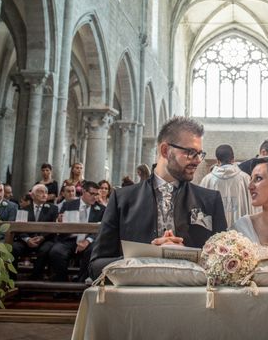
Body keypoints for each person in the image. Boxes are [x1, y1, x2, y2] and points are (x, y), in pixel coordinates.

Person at [89, 117, 227, 278]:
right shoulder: (122, 199)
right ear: (165, 150)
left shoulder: (210, 200)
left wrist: (188, 257)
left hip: (192, 297)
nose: (197, 160)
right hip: (138, 299)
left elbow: (225, 264)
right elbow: (96, 266)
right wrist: (144, 258)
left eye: (200, 154)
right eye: (190, 152)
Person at [50, 181, 105, 282]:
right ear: (84, 191)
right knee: (56, 251)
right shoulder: (68, 205)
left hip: (88, 240)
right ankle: (62, 284)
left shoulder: (101, 209)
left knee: (93, 251)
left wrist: (87, 241)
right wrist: (59, 221)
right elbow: (59, 224)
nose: (94, 197)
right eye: (91, 194)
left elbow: (101, 229)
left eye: (96, 194)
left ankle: (80, 284)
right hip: (69, 239)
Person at [199, 144, 254, 228]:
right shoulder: (245, 178)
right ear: (233, 159)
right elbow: (253, 207)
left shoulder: (207, 180)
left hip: (216, 233)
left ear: (217, 160)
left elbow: (201, 212)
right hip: (242, 233)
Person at [11, 184, 59, 280]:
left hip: (45, 239)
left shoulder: (53, 209)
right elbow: (19, 228)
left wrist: (42, 237)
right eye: (40, 192)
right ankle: (11, 279)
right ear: (32, 196)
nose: (44, 194)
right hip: (27, 241)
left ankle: (36, 277)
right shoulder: (24, 209)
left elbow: (53, 227)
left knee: (45, 250)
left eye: (46, 192)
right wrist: (27, 239)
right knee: (14, 248)